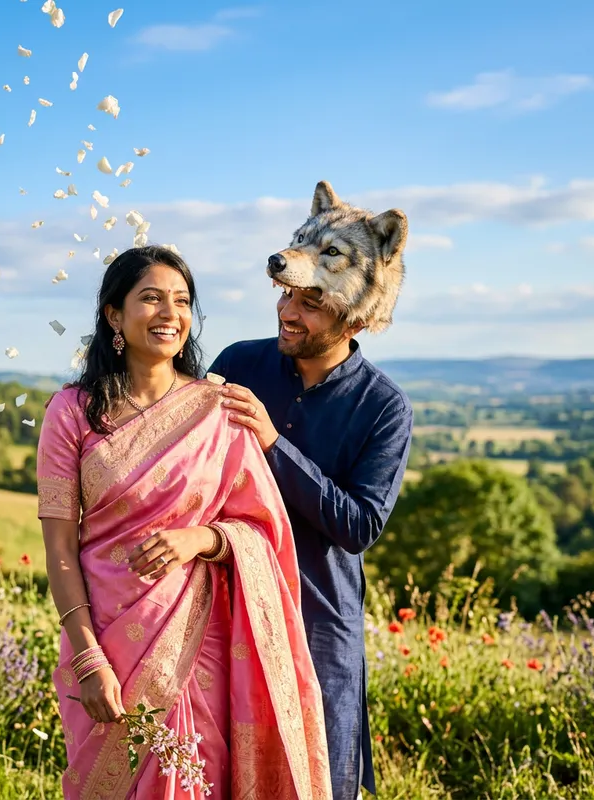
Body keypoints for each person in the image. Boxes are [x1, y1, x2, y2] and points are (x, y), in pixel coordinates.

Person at [37, 246, 332, 799]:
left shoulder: (219, 409)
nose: (170, 313)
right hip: (105, 641)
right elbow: (58, 547)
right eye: (151, 298)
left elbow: (265, 532)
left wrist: (201, 538)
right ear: (114, 315)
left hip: (199, 649)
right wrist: (87, 655)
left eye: (181, 300)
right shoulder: (72, 412)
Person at [207, 277, 413, 798]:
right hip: (228, 608)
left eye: (311, 304)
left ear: (357, 321)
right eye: (286, 295)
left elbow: (359, 525)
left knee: (318, 777)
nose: (287, 311)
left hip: (318, 621)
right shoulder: (239, 363)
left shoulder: (384, 406)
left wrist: (273, 443)